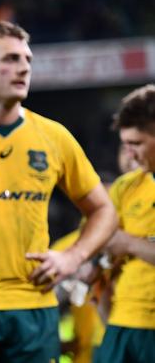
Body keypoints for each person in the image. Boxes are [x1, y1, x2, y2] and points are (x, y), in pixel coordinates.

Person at [0, 21, 117, 363]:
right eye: (11, 59)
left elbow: (104, 211)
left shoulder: (53, 137)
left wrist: (72, 257)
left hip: (34, 306)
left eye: (27, 59)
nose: (24, 67)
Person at [94, 84, 155, 363]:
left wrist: (129, 242)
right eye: (125, 144)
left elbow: (119, 242)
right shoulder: (125, 188)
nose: (129, 154)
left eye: (137, 143)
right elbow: (105, 257)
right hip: (124, 323)